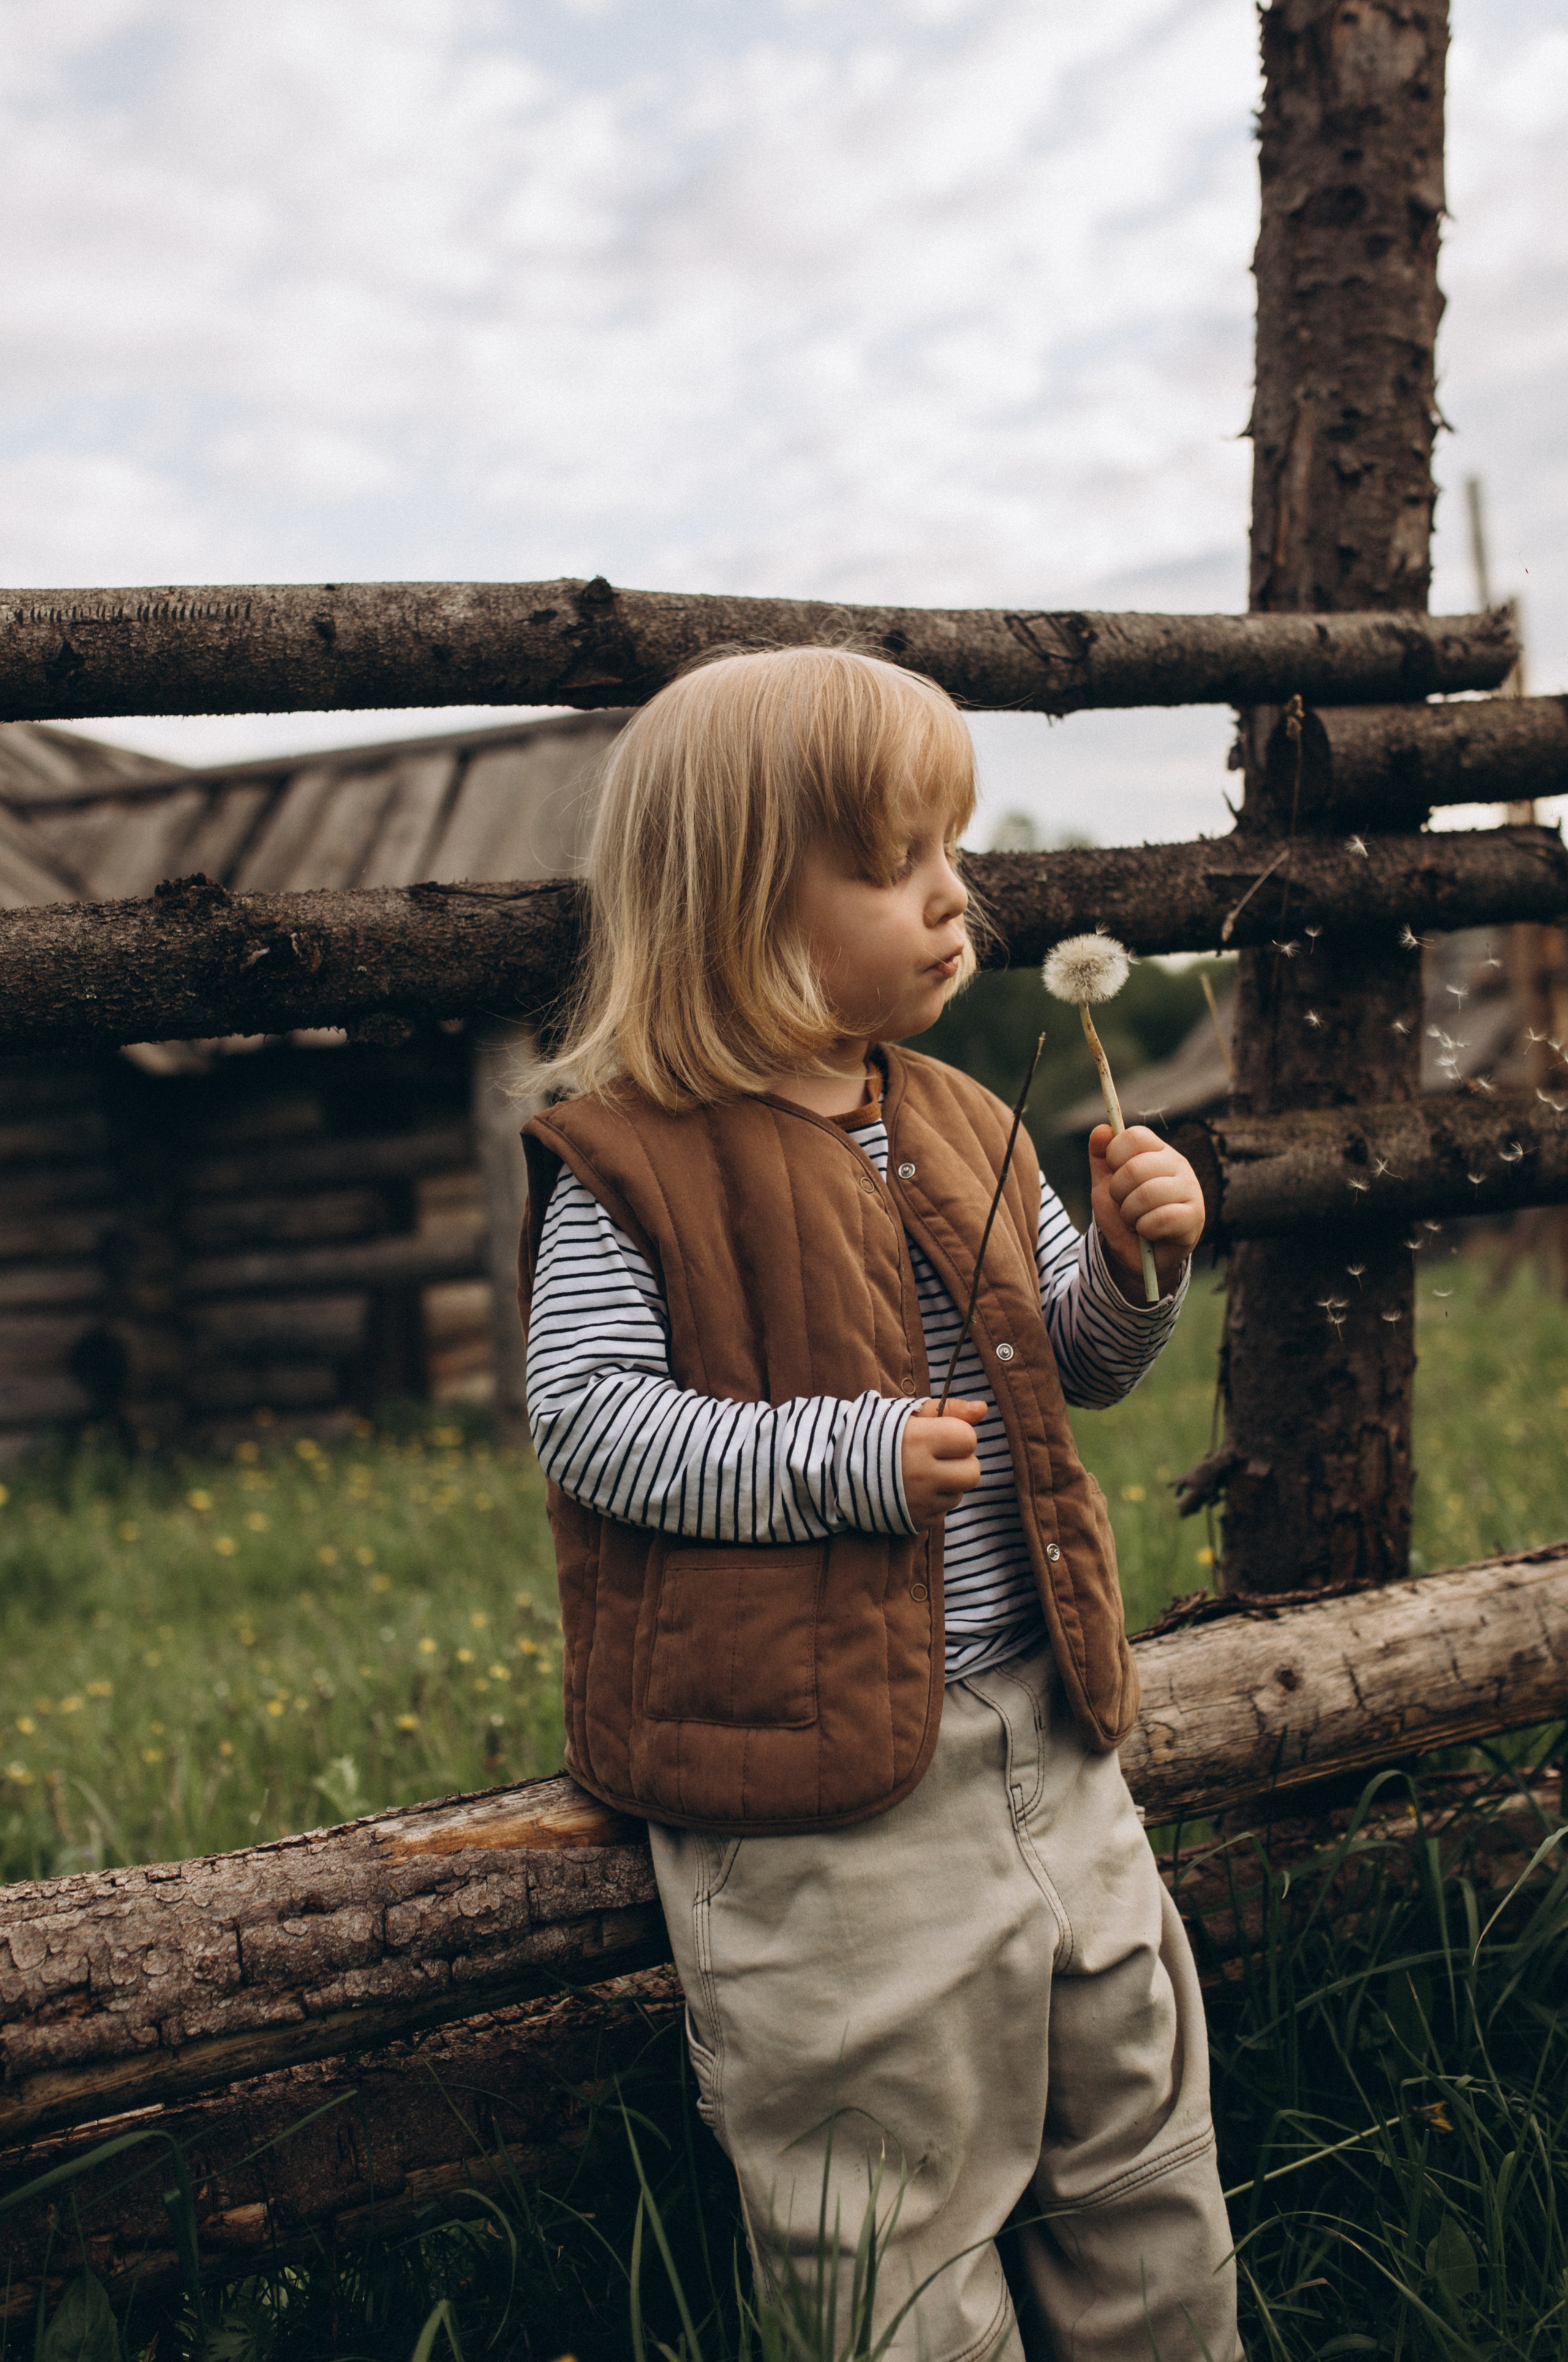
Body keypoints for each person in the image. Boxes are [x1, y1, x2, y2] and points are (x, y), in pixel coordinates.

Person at [518, 646, 1240, 2362]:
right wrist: (839, 1456)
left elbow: (1073, 1370)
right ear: (742, 902)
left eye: (951, 856)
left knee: (1137, 2153)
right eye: (893, 864)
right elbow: (587, 1420)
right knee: (882, 2223)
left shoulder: (969, 1118)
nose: (950, 901)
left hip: (1049, 1736)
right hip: (820, 1801)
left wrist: (1141, 1269)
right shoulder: (630, 1159)